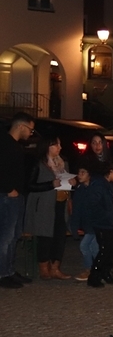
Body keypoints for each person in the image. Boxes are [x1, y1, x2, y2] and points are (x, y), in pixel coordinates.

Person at [24, 137, 76, 281]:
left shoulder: (63, 163)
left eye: (60, 144)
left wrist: (72, 184)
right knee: (45, 236)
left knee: (60, 236)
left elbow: (67, 182)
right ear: (47, 146)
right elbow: (30, 185)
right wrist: (50, 184)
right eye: (56, 145)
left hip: (61, 204)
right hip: (44, 205)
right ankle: (44, 268)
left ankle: (55, 268)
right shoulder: (39, 163)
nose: (59, 147)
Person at [0, 112, 35, 289]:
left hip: (17, 196)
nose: (31, 133)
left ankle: (9, 270)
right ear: (21, 126)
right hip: (7, 197)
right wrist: (8, 189)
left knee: (14, 235)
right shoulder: (5, 144)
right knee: (6, 236)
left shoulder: (15, 146)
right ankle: (2, 273)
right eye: (30, 129)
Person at [78, 161, 113, 288]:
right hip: (101, 222)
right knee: (104, 250)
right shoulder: (99, 185)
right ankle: (94, 276)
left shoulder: (107, 185)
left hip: (108, 222)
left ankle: (105, 273)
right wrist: (106, 215)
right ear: (111, 172)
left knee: (110, 250)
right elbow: (93, 204)